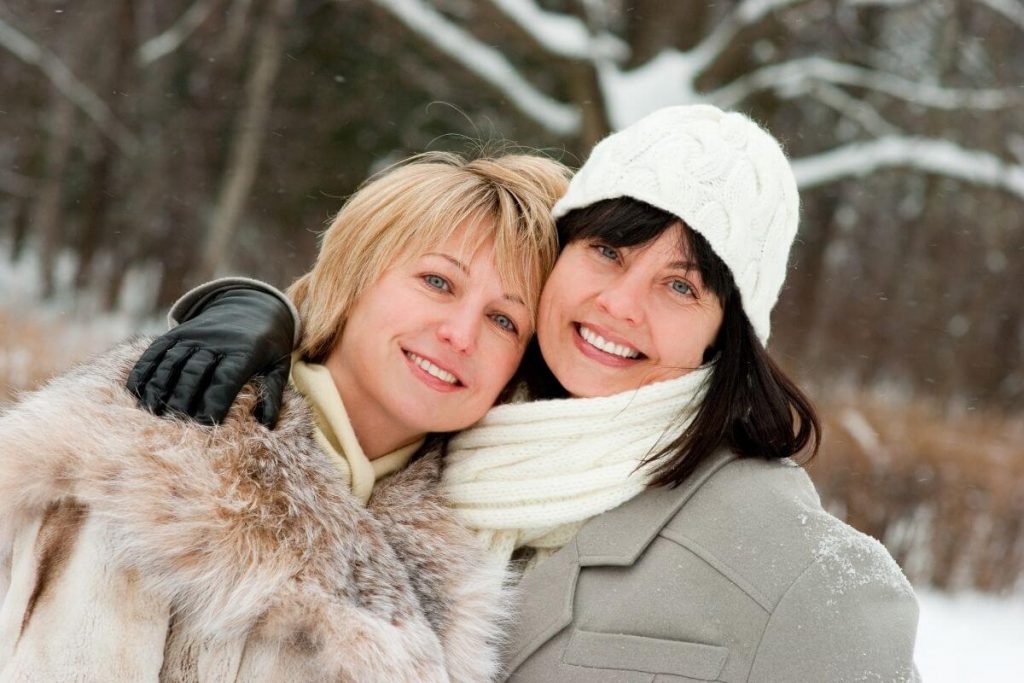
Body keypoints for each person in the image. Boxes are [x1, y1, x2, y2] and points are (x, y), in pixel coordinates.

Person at [129, 106, 920, 681]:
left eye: (681, 286)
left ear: (727, 333)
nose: (620, 304)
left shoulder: (793, 567)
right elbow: (378, 335)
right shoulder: (453, 429)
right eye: (608, 250)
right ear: (557, 257)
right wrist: (256, 311)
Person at [0, 152, 569, 682]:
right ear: (353, 278)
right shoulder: (158, 453)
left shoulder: (491, 531)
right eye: (437, 282)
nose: (460, 334)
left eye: (503, 321)